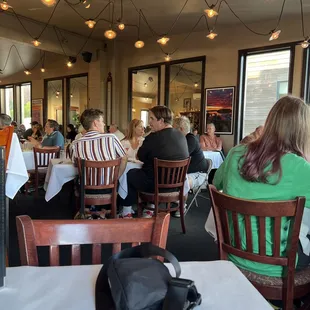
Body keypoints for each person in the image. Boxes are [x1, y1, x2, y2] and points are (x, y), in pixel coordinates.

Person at [213, 95, 310, 278]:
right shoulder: (300, 168)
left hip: (234, 252)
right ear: (302, 131)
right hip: (277, 265)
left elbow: (216, 183)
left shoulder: (235, 153)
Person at [120, 106, 189, 218]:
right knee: (152, 173)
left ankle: (127, 211)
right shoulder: (181, 136)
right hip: (176, 186)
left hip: (154, 185)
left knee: (130, 174)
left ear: (161, 121)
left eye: (151, 119)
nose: (149, 122)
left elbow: (140, 156)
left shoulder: (153, 137)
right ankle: (150, 208)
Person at [71, 109, 128, 217]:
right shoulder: (111, 138)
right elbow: (124, 158)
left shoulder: (75, 143)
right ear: (96, 123)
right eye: (102, 121)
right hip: (109, 187)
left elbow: (75, 165)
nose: (104, 124)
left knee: (76, 181)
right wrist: (115, 178)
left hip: (86, 189)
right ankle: (104, 212)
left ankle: (87, 211)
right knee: (119, 181)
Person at [174, 116, 208, 189]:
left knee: (180, 183)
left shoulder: (191, 139)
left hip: (198, 174)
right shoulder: (183, 139)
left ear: (181, 129)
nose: (173, 132)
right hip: (187, 173)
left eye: (174, 129)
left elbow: (181, 156)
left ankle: (179, 200)